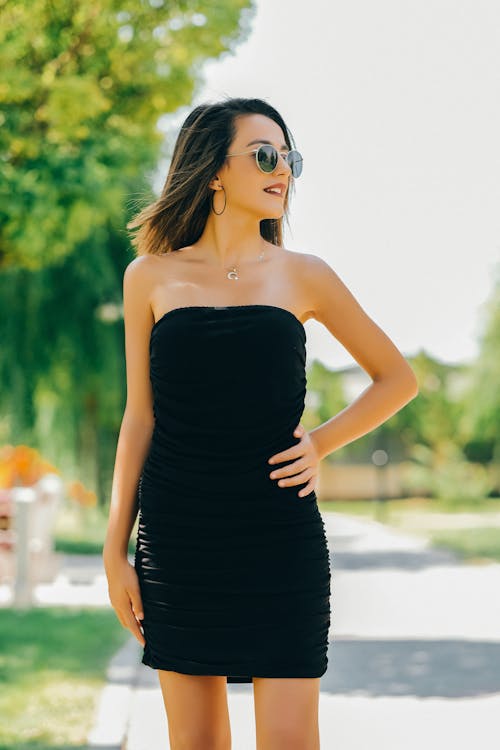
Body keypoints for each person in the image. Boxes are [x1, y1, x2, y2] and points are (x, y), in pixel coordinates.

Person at [103, 96, 418, 750]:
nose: (285, 171)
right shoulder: (149, 277)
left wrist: (321, 442)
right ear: (214, 168)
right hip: (178, 537)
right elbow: (140, 418)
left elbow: (397, 378)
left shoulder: (306, 276)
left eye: (290, 158)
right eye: (267, 155)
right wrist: (115, 550)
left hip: (277, 535)